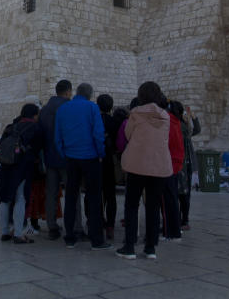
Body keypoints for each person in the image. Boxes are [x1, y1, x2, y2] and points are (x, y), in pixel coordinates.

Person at [116, 81, 171, 260]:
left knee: (132, 205)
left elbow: (128, 135)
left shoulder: (135, 114)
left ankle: (129, 246)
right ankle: (150, 247)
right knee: (153, 207)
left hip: (137, 164)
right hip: (159, 165)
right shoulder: (165, 116)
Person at [54, 83, 111, 251]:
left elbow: (57, 137)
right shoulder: (92, 108)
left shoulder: (63, 109)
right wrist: (101, 154)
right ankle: (96, 240)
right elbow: (98, 134)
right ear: (90, 94)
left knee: (71, 197)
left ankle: (70, 237)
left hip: (71, 158)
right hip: (91, 158)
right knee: (94, 198)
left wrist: (64, 154)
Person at [39, 79, 80, 241]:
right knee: (73, 193)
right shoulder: (69, 107)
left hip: (49, 158)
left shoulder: (44, 110)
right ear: (68, 91)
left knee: (51, 194)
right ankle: (77, 227)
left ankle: (52, 226)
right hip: (68, 157)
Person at [0, 103, 43, 244]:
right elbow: (38, 150)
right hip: (23, 168)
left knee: (5, 199)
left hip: (6, 166)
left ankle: (5, 232)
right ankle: (18, 233)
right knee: (21, 198)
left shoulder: (10, 128)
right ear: (35, 115)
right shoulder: (35, 128)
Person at [170, 101, 201, 229]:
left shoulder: (177, 126)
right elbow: (197, 130)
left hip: (178, 164)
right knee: (184, 193)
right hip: (186, 164)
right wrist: (193, 119)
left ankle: (179, 220)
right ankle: (184, 220)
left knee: (177, 194)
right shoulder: (185, 126)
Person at [160, 99, 185, 241]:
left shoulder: (167, 120)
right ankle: (175, 231)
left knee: (167, 201)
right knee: (172, 199)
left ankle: (171, 232)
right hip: (175, 164)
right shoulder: (176, 121)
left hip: (168, 164)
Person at [97, 93, 121, 240]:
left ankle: (97, 220)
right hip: (111, 162)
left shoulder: (94, 120)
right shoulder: (115, 122)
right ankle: (110, 225)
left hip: (96, 160)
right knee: (110, 194)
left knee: (95, 193)